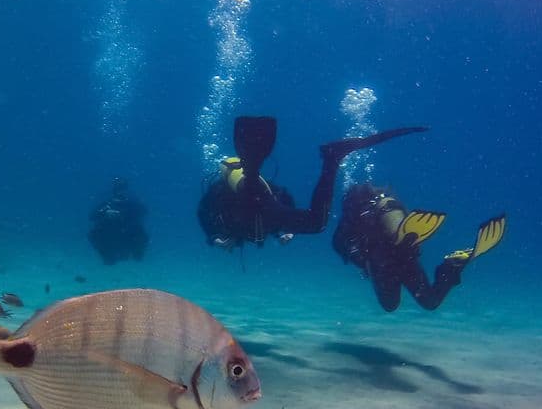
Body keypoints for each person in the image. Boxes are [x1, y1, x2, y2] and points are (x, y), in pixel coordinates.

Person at [197, 116, 428, 249]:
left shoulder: (217, 195)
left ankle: (332, 158)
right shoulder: (221, 195)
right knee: (315, 222)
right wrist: (285, 231)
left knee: (316, 223)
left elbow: (205, 214)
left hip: (258, 206)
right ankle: (332, 158)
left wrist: (215, 238)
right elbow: (281, 195)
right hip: (264, 206)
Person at [332, 183, 506, 311]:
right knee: (429, 302)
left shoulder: (350, 221)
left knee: (390, 305)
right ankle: (450, 267)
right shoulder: (354, 220)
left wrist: (361, 259)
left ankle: (396, 227)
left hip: (385, 263)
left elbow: (339, 243)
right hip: (404, 257)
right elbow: (340, 244)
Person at [88, 177, 149, 265]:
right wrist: (104, 212)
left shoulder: (132, 204)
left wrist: (124, 213)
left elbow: (143, 212)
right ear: (113, 192)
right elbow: (92, 217)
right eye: (117, 190)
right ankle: (108, 256)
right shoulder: (107, 204)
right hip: (111, 234)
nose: (120, 194)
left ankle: (137, 253)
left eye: (122, 190)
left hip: (129, 234)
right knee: (93, 234)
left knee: (142, 234)